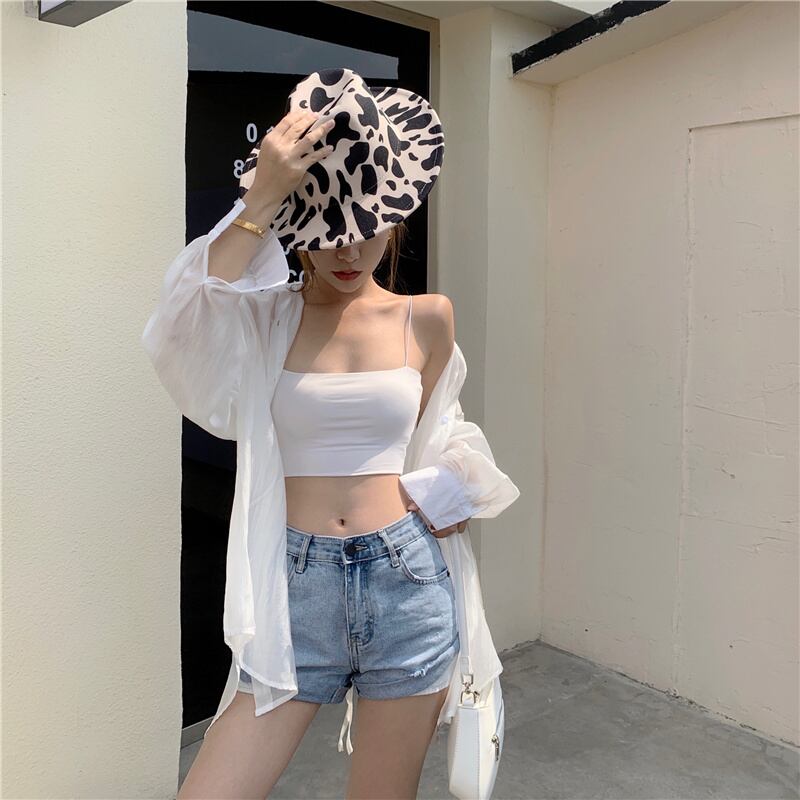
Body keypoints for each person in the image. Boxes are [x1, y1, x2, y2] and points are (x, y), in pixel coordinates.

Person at [142, 68, 520, 799]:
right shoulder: (266, 319)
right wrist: (262, 197)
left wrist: (452, 485)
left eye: (366, 230)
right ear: (300, 233)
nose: (349, 253)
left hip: (408, 581)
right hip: (296, 587)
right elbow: (178, 323)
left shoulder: (427, 318)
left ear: (393, 220)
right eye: (330, 235)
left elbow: (442, 428)